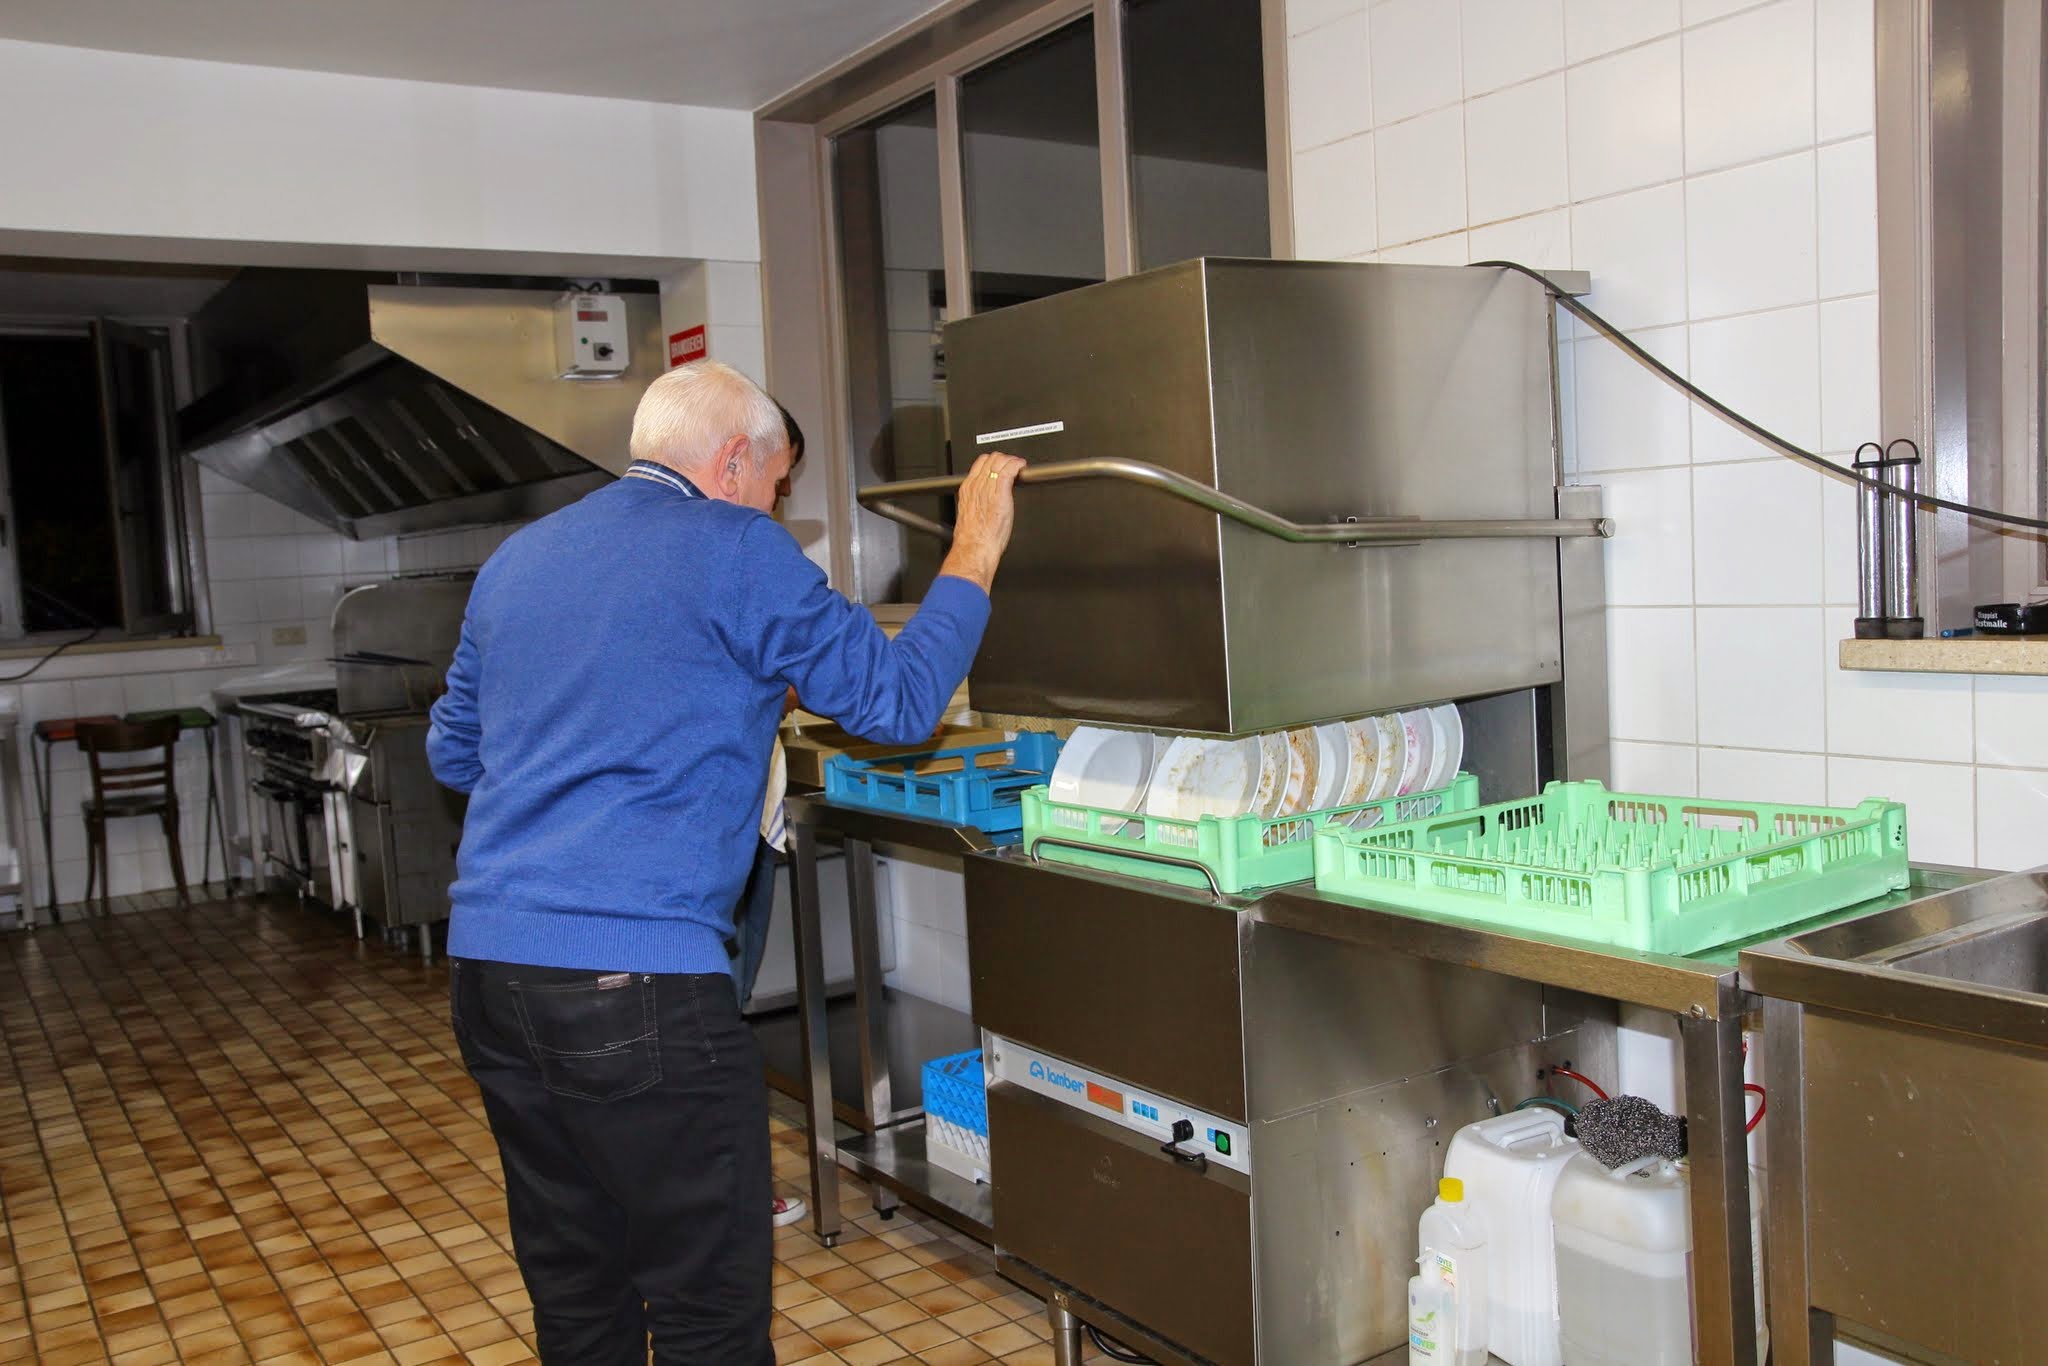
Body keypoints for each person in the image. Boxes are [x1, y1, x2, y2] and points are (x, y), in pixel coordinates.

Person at [427, 359, 1024, 1365]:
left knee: (579, 1288)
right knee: (707, 1306)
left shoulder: (520, 559)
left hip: (491, 974)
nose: (774, 506)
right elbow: (897, 702)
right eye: (778, 485)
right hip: (635, 987)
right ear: (734, 459)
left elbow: (455, 754)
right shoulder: (736, 545)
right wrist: (973, 548)